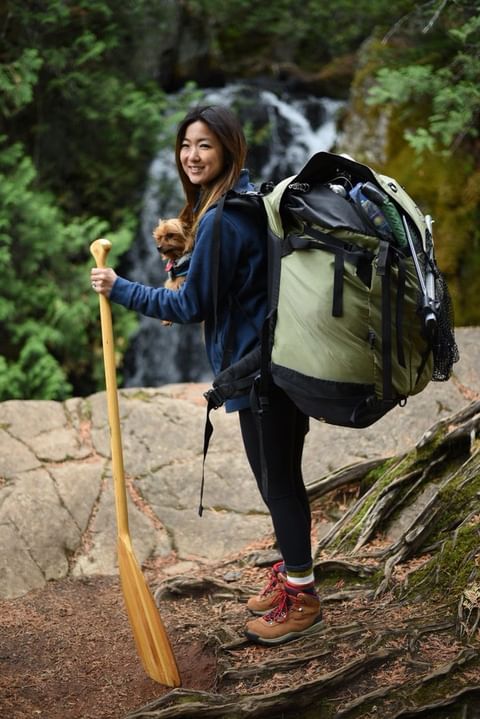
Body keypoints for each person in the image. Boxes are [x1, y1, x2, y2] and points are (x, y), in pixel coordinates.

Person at [90, 105, 322, 646]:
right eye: (186, 145)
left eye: (205, 146)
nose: (192, 156)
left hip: (259, 374)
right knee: (282, 480)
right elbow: (235, 280)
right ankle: (293, 575)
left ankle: (303, 598)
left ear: (229, 151)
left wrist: (118, 287)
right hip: (279, 362)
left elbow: (193, 305)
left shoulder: (218, 218)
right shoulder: (245, 203)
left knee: (279, 486)